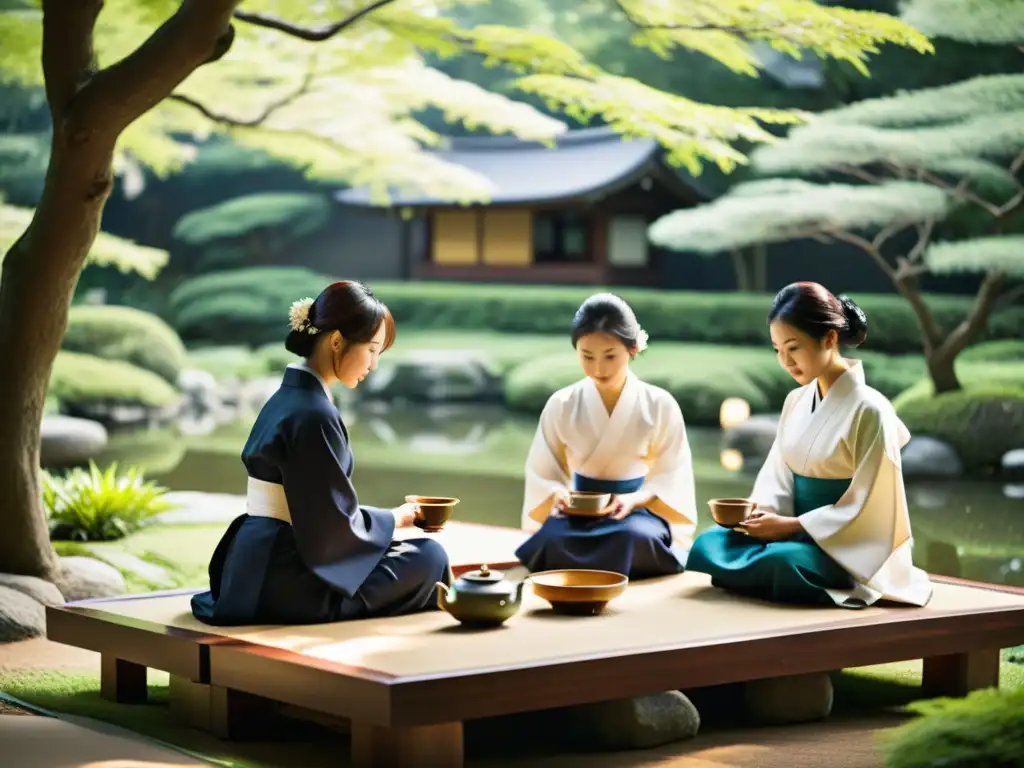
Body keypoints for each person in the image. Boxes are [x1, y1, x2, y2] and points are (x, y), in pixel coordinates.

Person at [191, 281, 451, 626]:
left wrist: (386, 522)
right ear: (337, 341)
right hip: (285, 571)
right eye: (372, 350)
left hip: (254, 558)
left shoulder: (288, 398)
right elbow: (330, 530)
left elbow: (324, 514)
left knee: (412, 556)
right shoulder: (313, 413)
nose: (373, 365)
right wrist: (394, 520)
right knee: (429, 558)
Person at [686, 282, 933, 608]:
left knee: (783, 563)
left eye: (794, 348)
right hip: (792, 532)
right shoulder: (795, 401)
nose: (786, 362)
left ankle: (797, 575)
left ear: (830, 339)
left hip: (846, 545)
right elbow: (778, 475)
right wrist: (759, 514)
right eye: (777, 350)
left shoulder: (871, 409)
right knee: (710, 543)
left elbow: (874, 507)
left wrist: (794, 525)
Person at [514, 293, 698, 579]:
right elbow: (543, 472)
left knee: (633, 538)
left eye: (610, 356)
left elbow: (672, 474)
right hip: (577, 513)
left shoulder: (660, 404)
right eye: (587, 356)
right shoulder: (562, 404)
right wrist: (558, 495)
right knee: (552, 540)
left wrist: (636, 500)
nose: (598, 369)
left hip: (635, 511)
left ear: (633, 348)